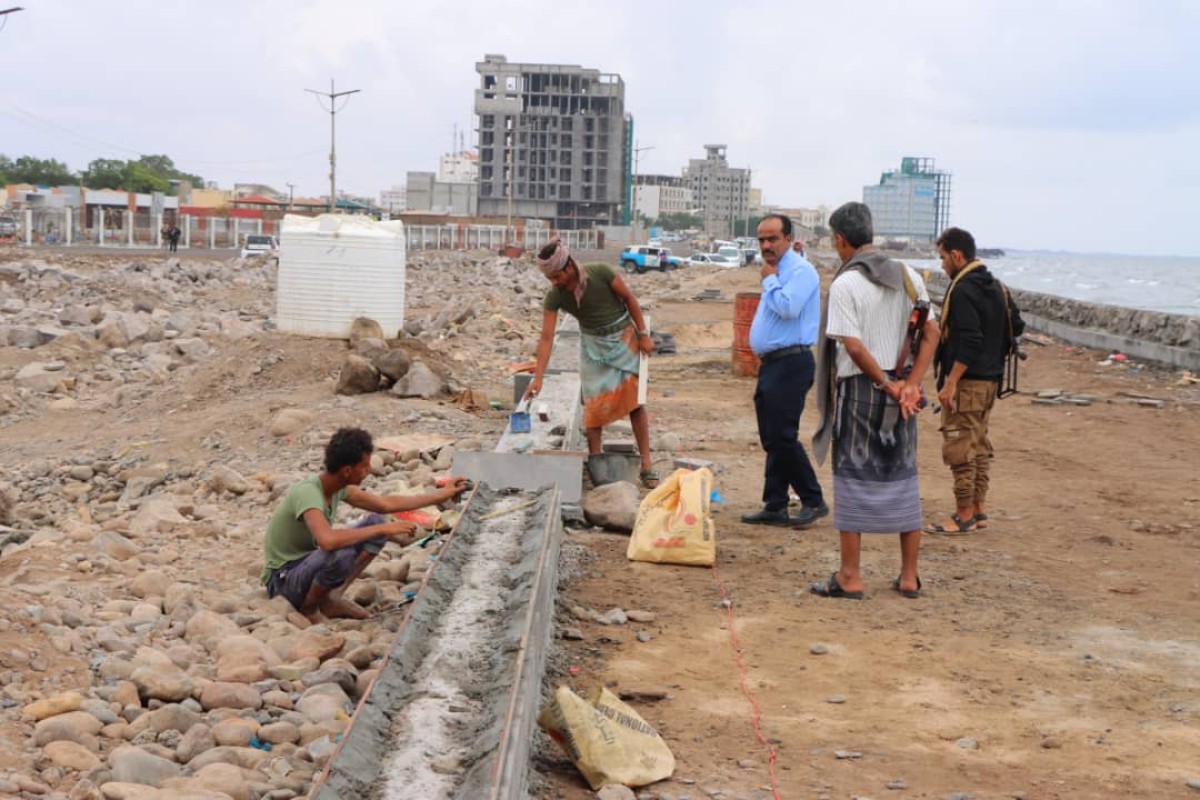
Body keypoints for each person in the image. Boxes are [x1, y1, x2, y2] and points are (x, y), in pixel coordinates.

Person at [809, 202, 938, 599]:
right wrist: (911, 385)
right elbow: (932, 333)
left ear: (841, 241)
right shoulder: (909, 276)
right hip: (903, 395)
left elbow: (853, 345)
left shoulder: (846, 284)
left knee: (851, 476)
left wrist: (889, 385)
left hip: (865, 391)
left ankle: (850, 576)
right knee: (904, 475)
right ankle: (910, 576)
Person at [260, 427, 469, 621]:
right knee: (341, 552)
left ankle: (332, 598)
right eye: (365, 466)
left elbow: (385, 504)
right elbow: (327, 541)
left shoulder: (337, 487)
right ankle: (309, 608)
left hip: (304, 566)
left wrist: (441, 495)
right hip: (282, 581)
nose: (369, 470)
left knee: (376, 520)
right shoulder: (309, 494)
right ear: (347, 471)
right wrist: (382, 529)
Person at [527, 239, 659, 488]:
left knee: (635, 402)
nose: (554, 283)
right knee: (594, 407)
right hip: (592, 347)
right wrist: (538, 377)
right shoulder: (556, 296)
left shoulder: (601, 272)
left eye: (556, 277)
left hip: (624, 339)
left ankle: (647, 464)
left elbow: (630, 299)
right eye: (550, 279)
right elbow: (546, 338)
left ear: (568, 268)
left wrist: (643, 334)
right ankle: (597, 464)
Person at [925, 227, 1025, 534]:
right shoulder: (996, 286)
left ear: (957, 255)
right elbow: (1017, 326)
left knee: (959, 447)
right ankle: (979, 511)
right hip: (990, 382)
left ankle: (963, 515)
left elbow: (969, 339)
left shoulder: (964, 289)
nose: (941, 264)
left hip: (968, 383)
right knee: (979, 446)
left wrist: (951, 382)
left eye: (942, 257)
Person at [740, 214, 828, 527]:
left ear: (788, 239)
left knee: (783, 435)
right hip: (773, 364)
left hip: (792, 362)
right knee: (771, 437)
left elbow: (789, 308)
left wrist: (768, 279)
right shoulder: (776, 272)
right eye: (761, 239)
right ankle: (775, 503)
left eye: (772, 239)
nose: (766, 245)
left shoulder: (800, 271)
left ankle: (813, 499)